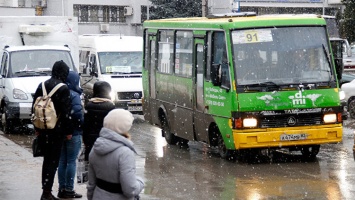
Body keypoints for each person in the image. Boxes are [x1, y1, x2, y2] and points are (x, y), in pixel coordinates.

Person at [32, 60, 73, 200]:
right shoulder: (63, 88)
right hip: (57, 131)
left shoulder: (42, 85)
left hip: (43, 129)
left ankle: (45, 190)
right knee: (53, 161)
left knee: (46, 160)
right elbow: (67, 112)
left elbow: (35, 107)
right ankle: (47, 193)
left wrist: (37, 128)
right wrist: (68, 132)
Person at [87, 109, 144, 200]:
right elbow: (130, 190)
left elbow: (91, 184)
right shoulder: (125, 153)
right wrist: (140, 182)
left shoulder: (95, 148)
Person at [57, 71, 84, 199]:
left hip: (60, 132)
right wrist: (81, 125)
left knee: (62, 161)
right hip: (74, 132)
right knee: (71, 162)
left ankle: (61, 188)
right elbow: (77, 114)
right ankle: (69, 189)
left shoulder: (60, 92)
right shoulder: (74, 95)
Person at [83, 81, 115, 161]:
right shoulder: (111, 106)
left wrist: (86, 141)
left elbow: (86, 125)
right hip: (106, 140)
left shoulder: (89, 105)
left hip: (91, 140)